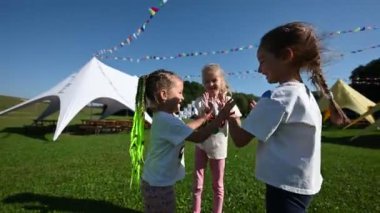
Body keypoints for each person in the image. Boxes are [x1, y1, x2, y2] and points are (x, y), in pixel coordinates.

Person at [227, 22, 350, 213]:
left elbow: (240, 139)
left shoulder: (280, 96)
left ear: (285, 56)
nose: (259, 69)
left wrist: (231, 115)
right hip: (302, 183)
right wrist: (260, 111)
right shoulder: (304, 94)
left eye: (262, 60)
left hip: (285, 185)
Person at [131, 69, 235, 213]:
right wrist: (220, 117)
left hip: (155, 181)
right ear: (164, 95)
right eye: (179, 92)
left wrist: (203, 118)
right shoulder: (167, 120)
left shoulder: (165, 117)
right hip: (159, 186)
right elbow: (199, 136)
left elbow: (186, 128)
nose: (183, 97)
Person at [192, 64, 241, 213]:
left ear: (222, 81)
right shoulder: (200, 100)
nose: (210, 84)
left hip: (218, 149)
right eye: (206, 81)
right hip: (201, 146)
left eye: (214, 80)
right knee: (197, 184)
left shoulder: (229, 101)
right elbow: (195, 123)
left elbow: (238, 123)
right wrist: (205, 112)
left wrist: (227, 114)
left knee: (217, 185)